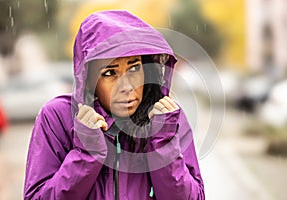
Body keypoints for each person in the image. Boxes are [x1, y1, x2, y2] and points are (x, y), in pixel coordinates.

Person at [24, 10, 205, 200]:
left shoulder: (167, 117)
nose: (127, 86)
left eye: (134, 68)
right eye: (110, 73)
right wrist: (87, 152)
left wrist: (163, 144)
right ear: (88, 78)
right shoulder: (57, 118)